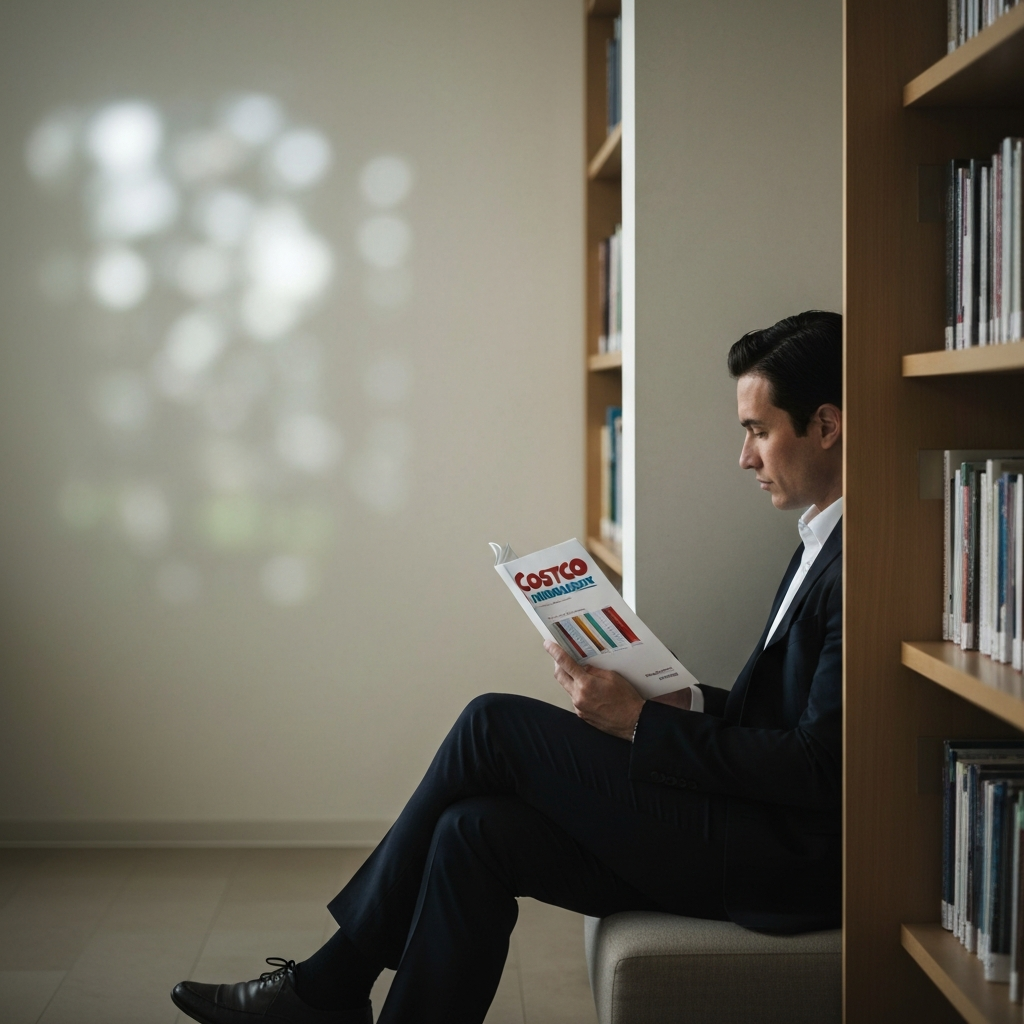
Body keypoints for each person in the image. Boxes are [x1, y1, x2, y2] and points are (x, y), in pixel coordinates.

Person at [171, 309, 844, 1024]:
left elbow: (817, 767)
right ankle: (335, 991)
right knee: (472, 833)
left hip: (779, 866)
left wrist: (641, 721)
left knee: (491, 723)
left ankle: (329, 984)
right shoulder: (817, 539)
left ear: (826, 425)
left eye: (758, 431)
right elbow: (781, 718)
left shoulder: (853, 561)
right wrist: (687, 705)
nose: (745, 458)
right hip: (747, 830)